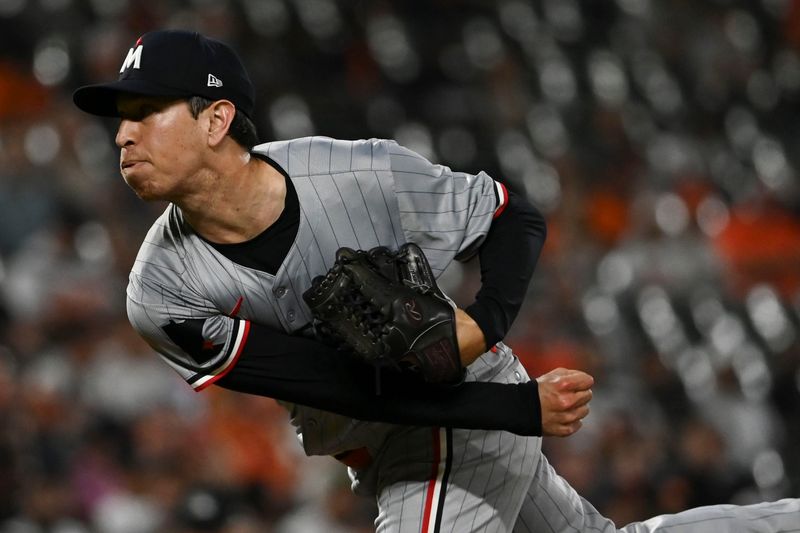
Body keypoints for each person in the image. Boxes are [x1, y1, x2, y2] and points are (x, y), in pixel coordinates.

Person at [73, 30, 799, 532]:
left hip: (462, 410)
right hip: (433, 424)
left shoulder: (352, 172)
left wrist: (482, 326)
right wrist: (516, 409)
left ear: (216, 119)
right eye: (119, 118)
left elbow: (513, 216)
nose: (122, 134)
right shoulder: (160, 292)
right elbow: (334, 381)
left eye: (145, 111)